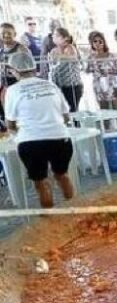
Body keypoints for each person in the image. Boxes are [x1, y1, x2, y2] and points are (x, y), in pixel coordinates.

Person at [4, 51, 73, 208]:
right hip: (60, 137)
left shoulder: (13, 90)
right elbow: (66, 117)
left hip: (31, 141)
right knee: (62, 175)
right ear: (34, 67)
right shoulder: (50, 85)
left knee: (41, 183)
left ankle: (50, 217)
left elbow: (10, 124)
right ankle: (75, 210)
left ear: (13, 70)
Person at [48, 27, 82, 113]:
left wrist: (59, 57)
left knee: (72, 110)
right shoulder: (53, 51)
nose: (53, 37)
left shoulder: (70, 48)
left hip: (72, 85)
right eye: (53, 35)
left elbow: (71, 58)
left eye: (56, 35)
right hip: (59, 84)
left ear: (65, 38)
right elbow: (52, 66)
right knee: (62, 111)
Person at [86, 31, 117, 111]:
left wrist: (109, 72)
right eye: (95, 41)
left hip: (113, 85)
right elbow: (88, 70)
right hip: (99, 86)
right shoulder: (91, 57)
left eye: (100, 41)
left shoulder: (113, 55)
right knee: (104, 109)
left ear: (104, 42)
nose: (97, 44)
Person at [1, 23, 30, 121]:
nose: (6, 35)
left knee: (22, 115)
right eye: (3, 33)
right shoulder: (1, 50)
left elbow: (31, 68)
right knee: (9, 115)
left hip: (20, 86)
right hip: (6, 87)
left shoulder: (21, 48)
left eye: (9, 33)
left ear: (15, 34)